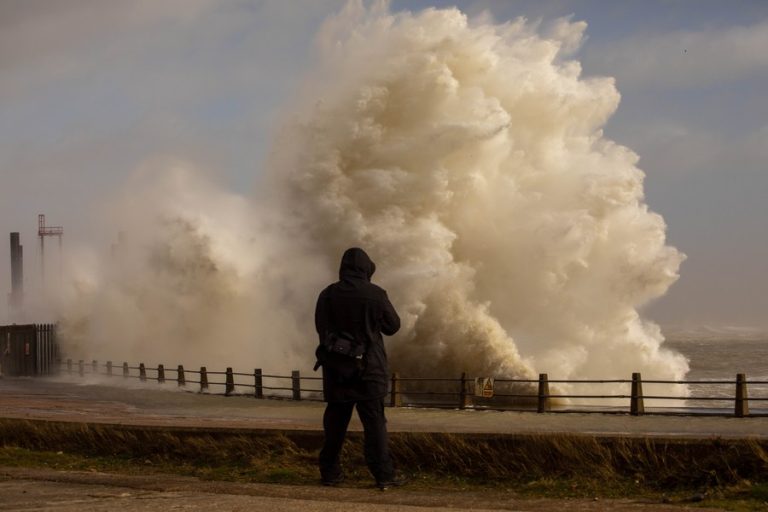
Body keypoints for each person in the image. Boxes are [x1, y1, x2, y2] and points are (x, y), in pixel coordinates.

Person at [314, 247, 405, 489]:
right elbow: (393, 326)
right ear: (367, 269)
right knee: (374, 425)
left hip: (337, 371)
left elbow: (322, 329)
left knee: (335, 425)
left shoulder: (327, 294)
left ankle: (330, 473)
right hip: (369, 370)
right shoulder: (376, 294)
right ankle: (383, 475)